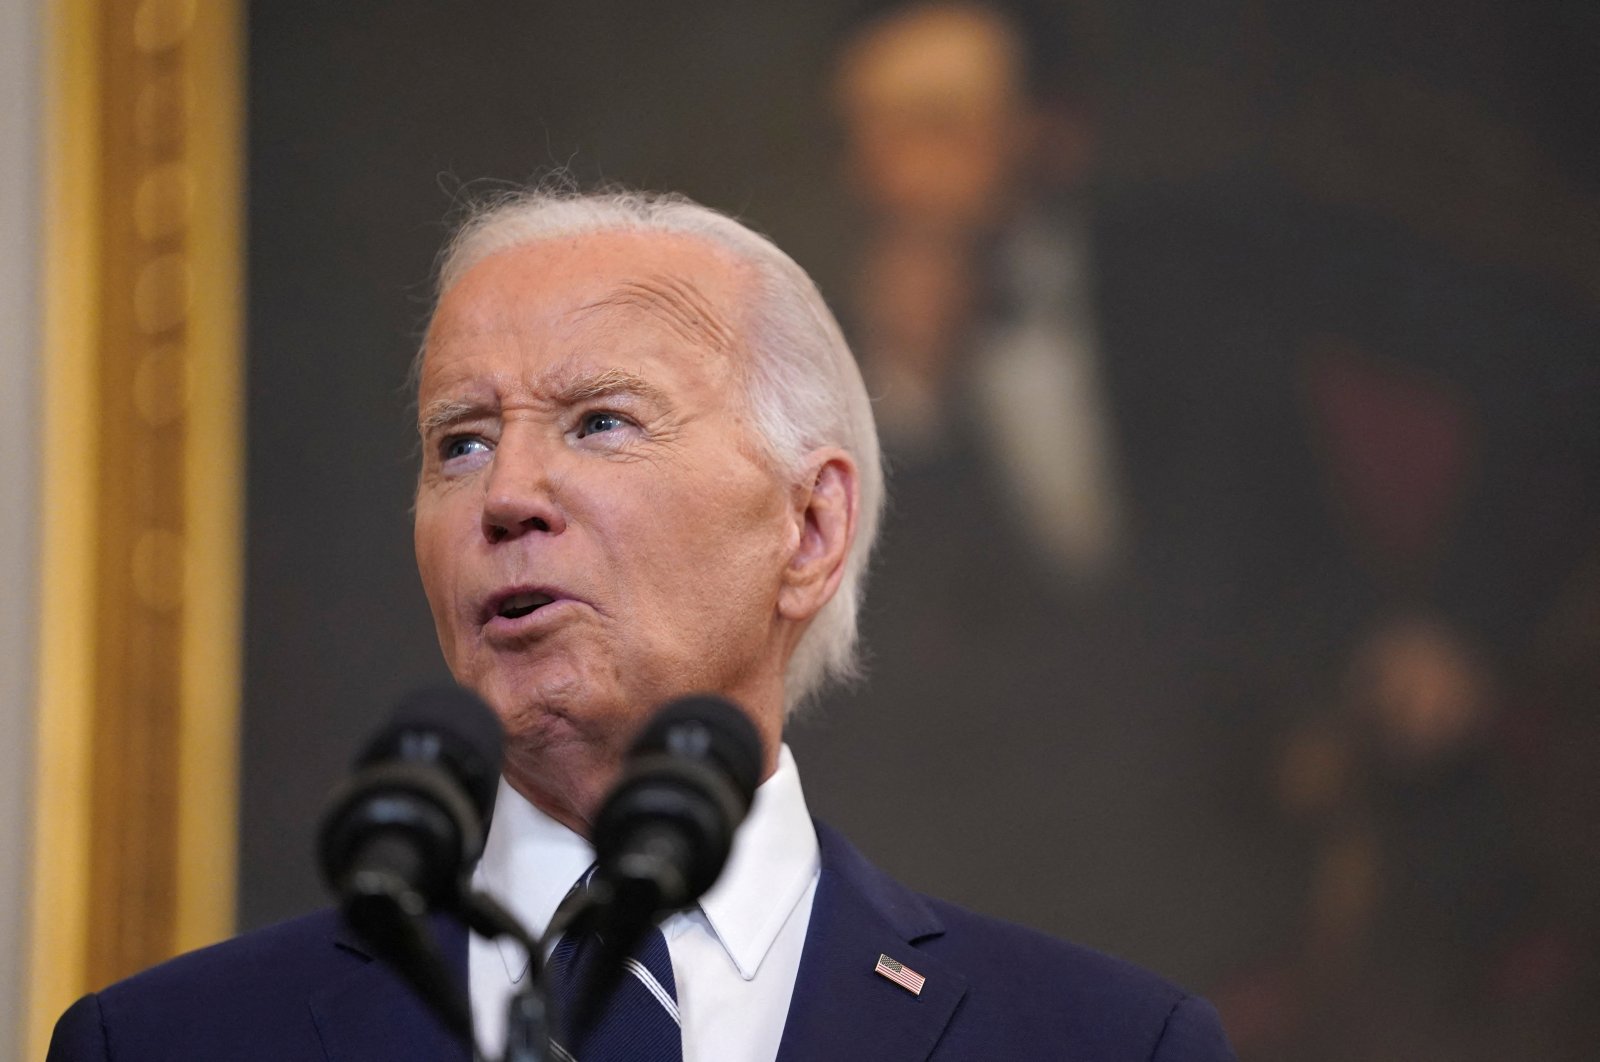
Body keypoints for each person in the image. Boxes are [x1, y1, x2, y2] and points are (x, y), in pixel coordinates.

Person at [48, 188, 1235, 1061]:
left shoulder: (1110, 1047)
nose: (506, 494)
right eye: (459, 441)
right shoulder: (163, 1043)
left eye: (600, 422)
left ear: (810, 529)